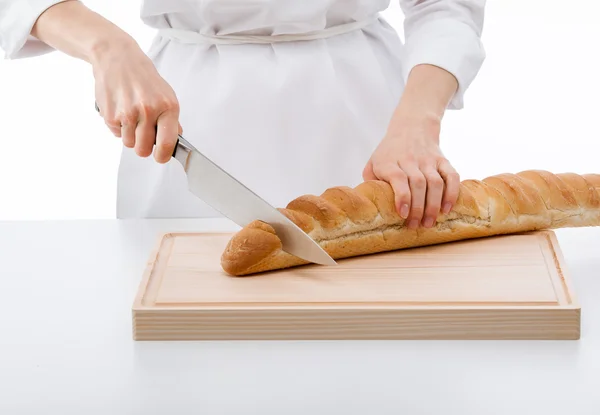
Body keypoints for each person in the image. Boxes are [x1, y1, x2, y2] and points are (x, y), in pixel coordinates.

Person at [0, 0, 486, 229]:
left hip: (368, 123)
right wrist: (106, 46)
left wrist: (417, 124)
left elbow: (446, 6)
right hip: (184, 114)